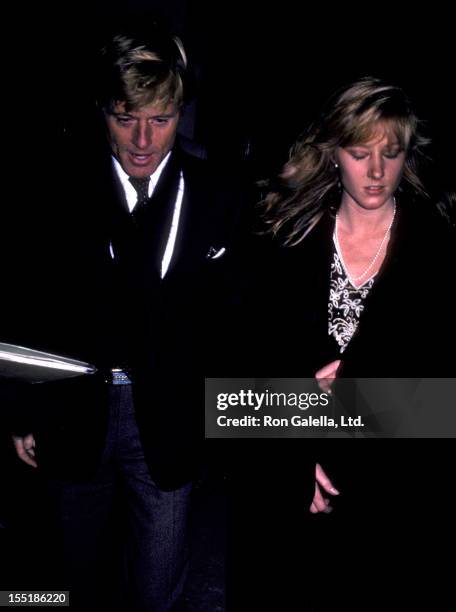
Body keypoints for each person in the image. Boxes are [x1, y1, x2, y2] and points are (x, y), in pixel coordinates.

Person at [7, 21, 245, 611]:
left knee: (158, 585)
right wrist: (20, 410)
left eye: (159, 120)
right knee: (73, 582)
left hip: (170, 420)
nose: (142, 139)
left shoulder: (217, 194)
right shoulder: (55, 188)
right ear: (101, 112)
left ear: (180, 112)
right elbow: (25, 306)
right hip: (72, 414)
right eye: (123, 117)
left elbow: (230, 321)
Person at [245, 77, 455, 609]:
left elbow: (447, 400)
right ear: (333, 152)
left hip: (397, 498)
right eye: (360, 153)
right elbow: (237, 381)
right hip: (288, 479)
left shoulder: (438, 251)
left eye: (392, 153)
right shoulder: (283, 239)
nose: (378, 171)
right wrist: (293, 457)